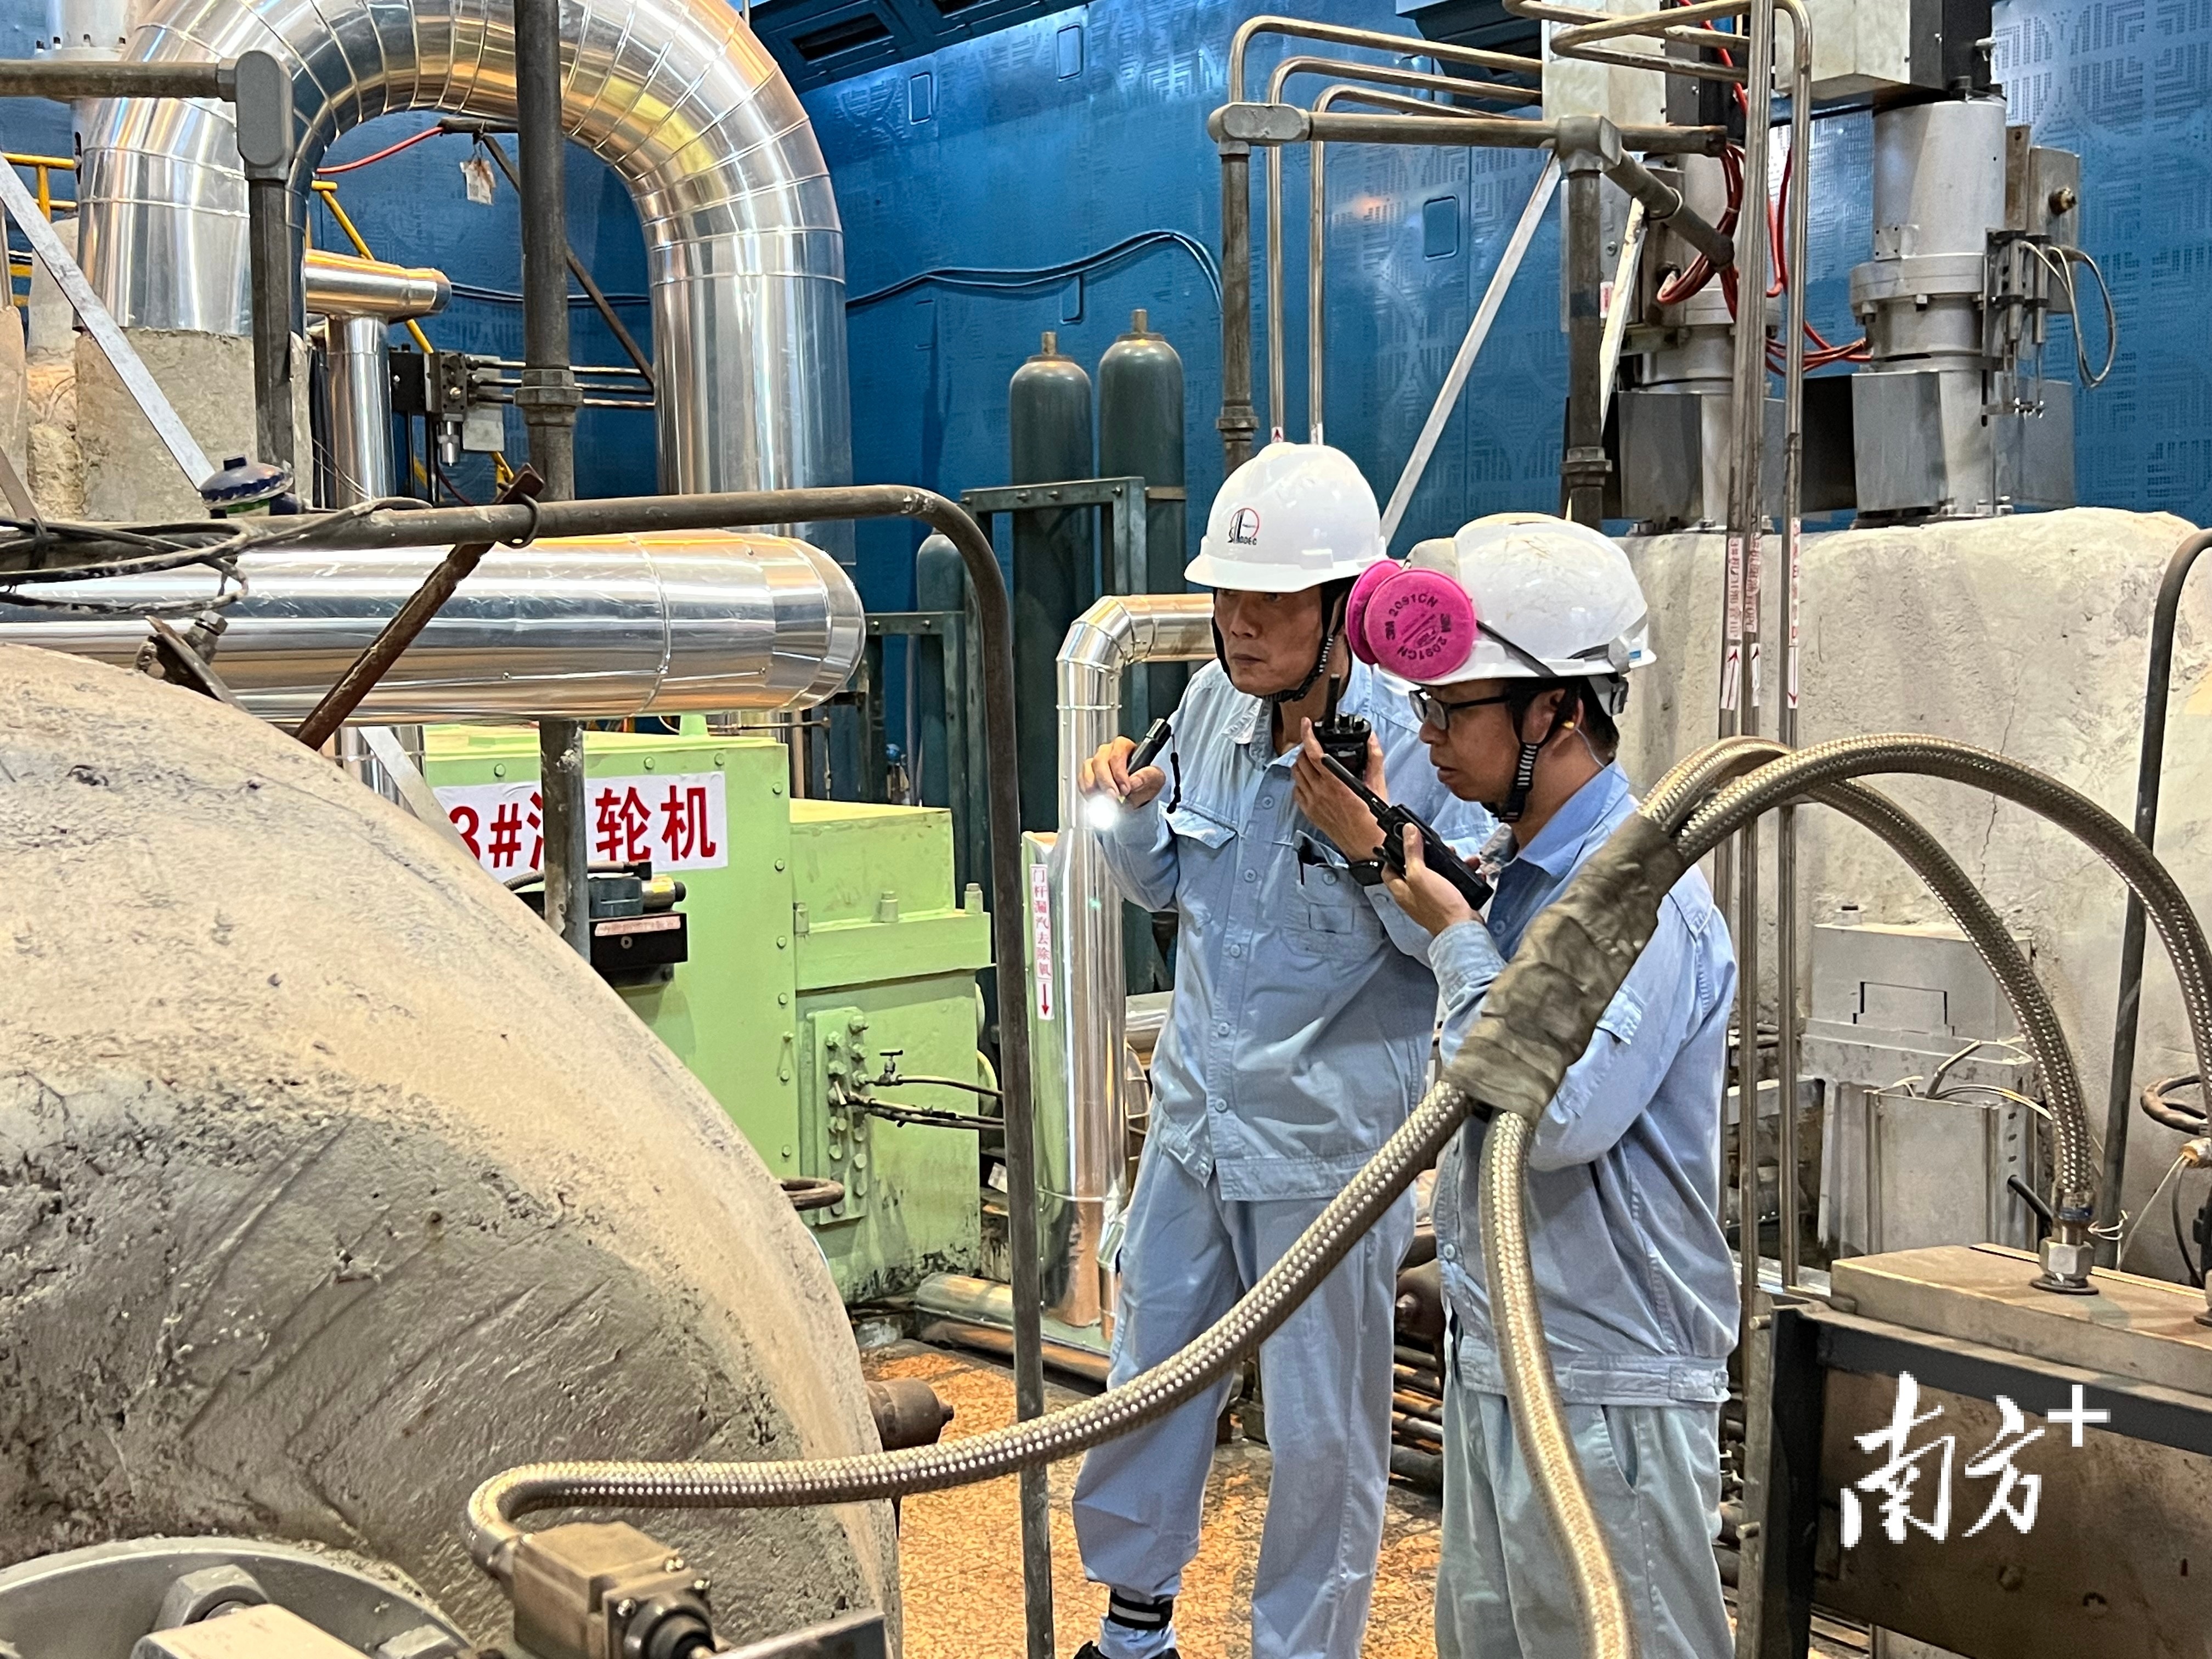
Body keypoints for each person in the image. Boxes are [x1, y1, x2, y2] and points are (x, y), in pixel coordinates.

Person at [1070, 443, 1492, 1659]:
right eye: (1226, 598)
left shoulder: (1420, 754)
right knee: (1150, 1369)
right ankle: (1135, 1625)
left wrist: (1366, 844)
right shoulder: (1207, 706)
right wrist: (1130, 815)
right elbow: (1178, 894)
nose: (1240, 626)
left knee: (1322, 1429)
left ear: (1346, 610)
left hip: (1322, 1148)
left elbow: (1448, 956)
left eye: (1270, 602)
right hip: (1199, 1119)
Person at [1295, 512, 1739, 1659]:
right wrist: (1403, 868)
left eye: (1455, 710)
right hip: (1503, 1364)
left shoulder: (1641, 896)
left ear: (1558, 710)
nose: (1431, 736)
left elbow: (1561, 1114)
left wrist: (1452, 937)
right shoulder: (1523, 880)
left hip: (1607, 1385)